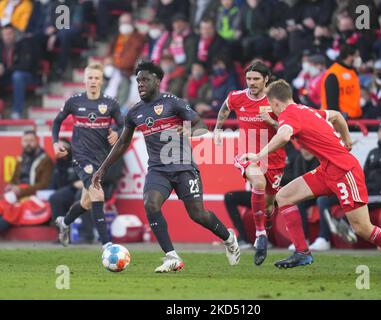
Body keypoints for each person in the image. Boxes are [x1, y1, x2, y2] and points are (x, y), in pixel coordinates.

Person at [242, 79, 381, 280]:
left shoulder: (288, 115)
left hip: (344, 171)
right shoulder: (305, 110)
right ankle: (302, 252)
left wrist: (259, 155)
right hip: (327, 170)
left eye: (269, 104)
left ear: (275, 102)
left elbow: (284, 136)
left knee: (362, 228)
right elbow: (336, 115)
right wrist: (346, 139)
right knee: (284, 196)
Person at [91, 61, 240, 273]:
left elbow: (200, 125)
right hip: (158, 169)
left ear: (157, 81)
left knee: (198, 214)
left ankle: (229, 237)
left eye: (145, 80)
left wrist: (190, 132)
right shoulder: (134, 112)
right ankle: (171, 256)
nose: (141, 84)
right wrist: (103, 168)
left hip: (183, 166)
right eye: (138, 81)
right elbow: (123, 142)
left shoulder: (173, 102)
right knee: (151, 204)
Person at [214, 60, 286, 266]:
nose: (252, 83)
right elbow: (225, 108)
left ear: (266, 79)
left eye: (256, 79)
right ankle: (260, 235)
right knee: (258, 182)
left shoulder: (276, 100)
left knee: (269, 205)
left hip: (274, 157)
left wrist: (270, 121)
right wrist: (218, 128)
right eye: (249, 79)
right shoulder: (237, 97)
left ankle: (266, 224)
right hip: (246, 153)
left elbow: (287, 127)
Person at [51, 62, 124, 249]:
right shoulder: (74, 101)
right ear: (84, 80)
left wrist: (116, 131)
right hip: (81, 156)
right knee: (98, 194)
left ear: (101, 81)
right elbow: (57, 121)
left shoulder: (110, 103)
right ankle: (107, 245)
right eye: (90, 78)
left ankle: (64, 222)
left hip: (101, 159)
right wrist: (55, 142)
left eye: (97, 78)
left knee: (86, 202)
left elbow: (124, 125)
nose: (93, 81)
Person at [0, 130, 53, 232]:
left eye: (31, 140)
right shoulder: (21, 158)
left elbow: (44, 184)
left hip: (34, 196)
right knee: (3, 204)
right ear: (21, 142)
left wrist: (21, 190)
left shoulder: (46, 159)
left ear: (37, 141)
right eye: (26, 141)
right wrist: (11, 186)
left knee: (13, 210)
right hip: (19, 194)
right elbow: (14, 180)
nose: (28, 143)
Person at [321, 44, 362, 119]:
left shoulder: (352, 71)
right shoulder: (333, 74)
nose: (358, 59)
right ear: (349, 56)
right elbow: (332, 103)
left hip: (355, 118)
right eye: (356, 56)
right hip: (342, 120)